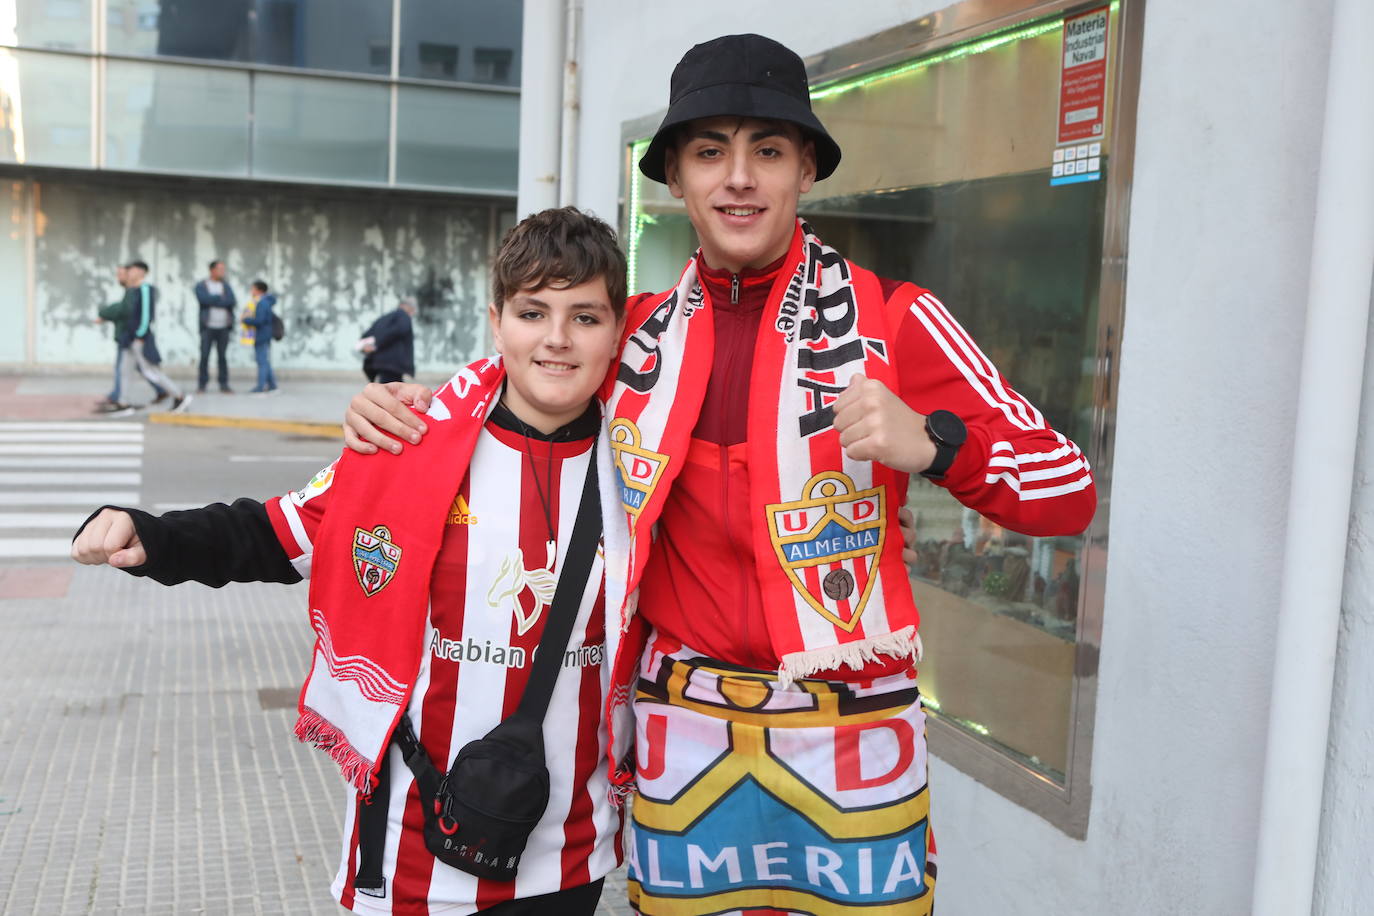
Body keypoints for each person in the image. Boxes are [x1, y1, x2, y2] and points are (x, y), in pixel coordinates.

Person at [343, 34, 1097, 916]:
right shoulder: (630, 334)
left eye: (767, 150)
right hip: (684, 734)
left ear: (805, 169)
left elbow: (1067, 488)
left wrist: (937, 444)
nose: (738, 177)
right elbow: (496, 395)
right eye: (710, 152)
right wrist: (380, 414)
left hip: (853, 736)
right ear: (677, 179)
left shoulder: (897, 321)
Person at [71, 207, 634, 915]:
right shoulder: (413, 440)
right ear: (497, 322)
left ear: (617, 329)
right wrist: (148, 534)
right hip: (410, 845)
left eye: (584, 317)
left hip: (570, 856)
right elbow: (276, 534)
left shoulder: (645, 466)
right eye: (532, 312)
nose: (556, 339)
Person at [113, 260, 190, 413]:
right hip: (128, 338)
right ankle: (123, 403)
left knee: (150, 370)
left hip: (138, 338)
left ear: (142, 272)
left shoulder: (146, 289)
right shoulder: (132, 290)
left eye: (132, 270)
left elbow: (147, 315)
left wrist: (140, 335)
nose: (129, 273)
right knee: (125, 370)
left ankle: (179, 396)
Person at [195, 259, 237, 393]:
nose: (222, 272)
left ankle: (224, 384)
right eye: (219, 269)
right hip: (207, 327)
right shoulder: (202, 285)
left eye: (223, 269)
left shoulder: (226, 286)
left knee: (222, 357)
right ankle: (202, 384)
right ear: (212, 270)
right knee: (204, 356)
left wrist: (214, 299)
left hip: (224, 327)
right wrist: (219, 298)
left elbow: (231, 301)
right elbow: (203, 300)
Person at [358, 297, 418, 384]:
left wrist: (364, 347)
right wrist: (376, 345)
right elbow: (399, 330)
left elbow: (366, 336)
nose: (413, 312)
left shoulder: (384, 318)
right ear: (404, 306)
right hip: (393, 363)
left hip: (381, 362)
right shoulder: (403, 316)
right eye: (412, 308)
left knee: (392, 389)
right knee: (392, 391)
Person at [241, 279, 278, 395]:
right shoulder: (264, 301)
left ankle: (260, 387)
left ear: (259, 290)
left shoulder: (261, 302)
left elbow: (260, 320)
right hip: (264, 335)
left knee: (262, 361)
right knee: (265, 361)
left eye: (253, 288)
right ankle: (272, 386)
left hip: (261, 335)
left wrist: (245, 319)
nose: (251, 291)